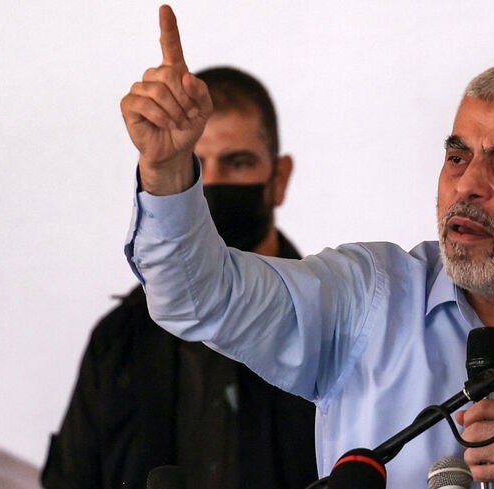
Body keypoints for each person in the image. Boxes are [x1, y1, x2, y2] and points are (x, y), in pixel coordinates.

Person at [120, 5, 494, 489]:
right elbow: (196, 301)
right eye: (457, 156)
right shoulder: (367, 298)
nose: (467, 185)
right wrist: (168, 169)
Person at [42, 64, 318, 489]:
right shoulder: (119, 341)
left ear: (278, 179)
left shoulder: (332, 325)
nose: (214, 183)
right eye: (196, 165)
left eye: (238, 163)